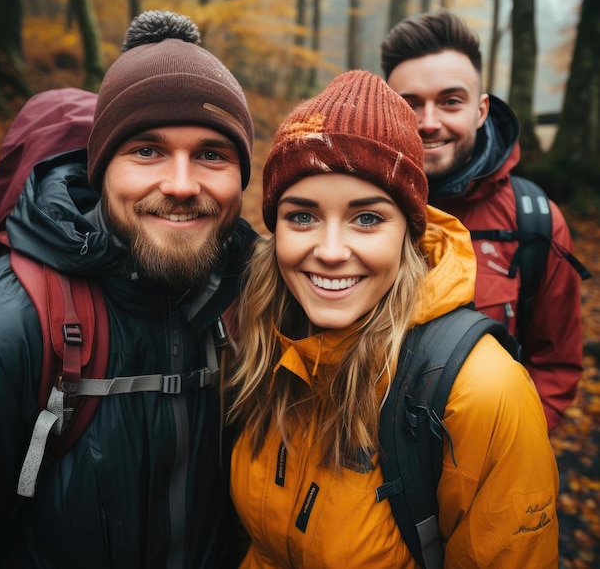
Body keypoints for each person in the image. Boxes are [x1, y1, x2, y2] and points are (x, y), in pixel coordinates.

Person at [227, 69, 559, 567]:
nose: (331, 250)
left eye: (367, 218)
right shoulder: (264, 342)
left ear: (408, 233)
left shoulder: (481, 392)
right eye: (302, 215)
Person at [0, 10, 256, 568]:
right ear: (101, 168)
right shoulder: (11, 328)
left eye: (211, 154)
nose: (180, 185)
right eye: (146, 150)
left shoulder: (249, 301)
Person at [381, 9, 583, 431]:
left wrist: (510, 450)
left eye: (450, 101)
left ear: (481, 109)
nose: (429, 122)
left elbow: (554, 363)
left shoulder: (534, 221)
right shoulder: (354, 205)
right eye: (410, 104)